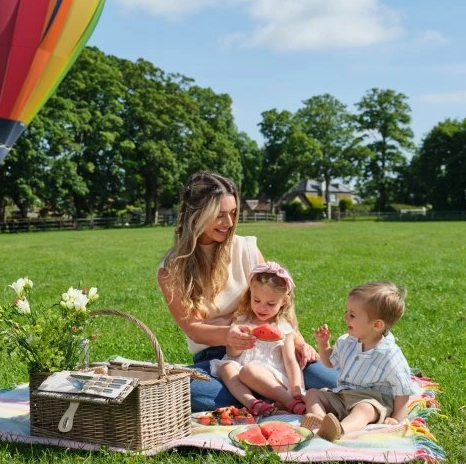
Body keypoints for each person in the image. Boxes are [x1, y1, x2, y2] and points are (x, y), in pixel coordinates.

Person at [157, 170, 337, 412]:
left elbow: (277, 297)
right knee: (191, 392)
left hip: (274, 350)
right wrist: (228, 334)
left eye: (233, 213)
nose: (230, 223)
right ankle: (275, 395)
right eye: (220, 215)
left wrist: (298, 340)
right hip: (218, 357)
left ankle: (264, 395)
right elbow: (194, 329)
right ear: (196, 215)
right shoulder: (171, 270)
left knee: (332, 380)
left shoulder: (247, 249)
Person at [301, 281, 420, 442]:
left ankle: (340, 430)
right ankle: (320, 420)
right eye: (347, 312)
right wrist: (323, 345)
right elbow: (330, 363)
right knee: (312, 394)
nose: (345, 318)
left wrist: (396, 417)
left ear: (376, 325)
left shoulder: (390, 355)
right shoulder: (347, 341)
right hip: (342, 395)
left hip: (373, 400)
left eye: (352, 315)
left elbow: (402, 389)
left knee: (363, 410)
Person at [209, 262, 306, 416]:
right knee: (225, 367)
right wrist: (239, 343)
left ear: (284, 301)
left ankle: (289, 401)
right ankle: (253, 403)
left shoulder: (283, 327)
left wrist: (296, 389)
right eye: (257, 300)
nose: (262, 307)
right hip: (241, 370)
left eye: (271, 304)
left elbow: (290, 361)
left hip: (272, 378)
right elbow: (232, 354)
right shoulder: (241, 320)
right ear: (250, 295)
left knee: (249, 371)